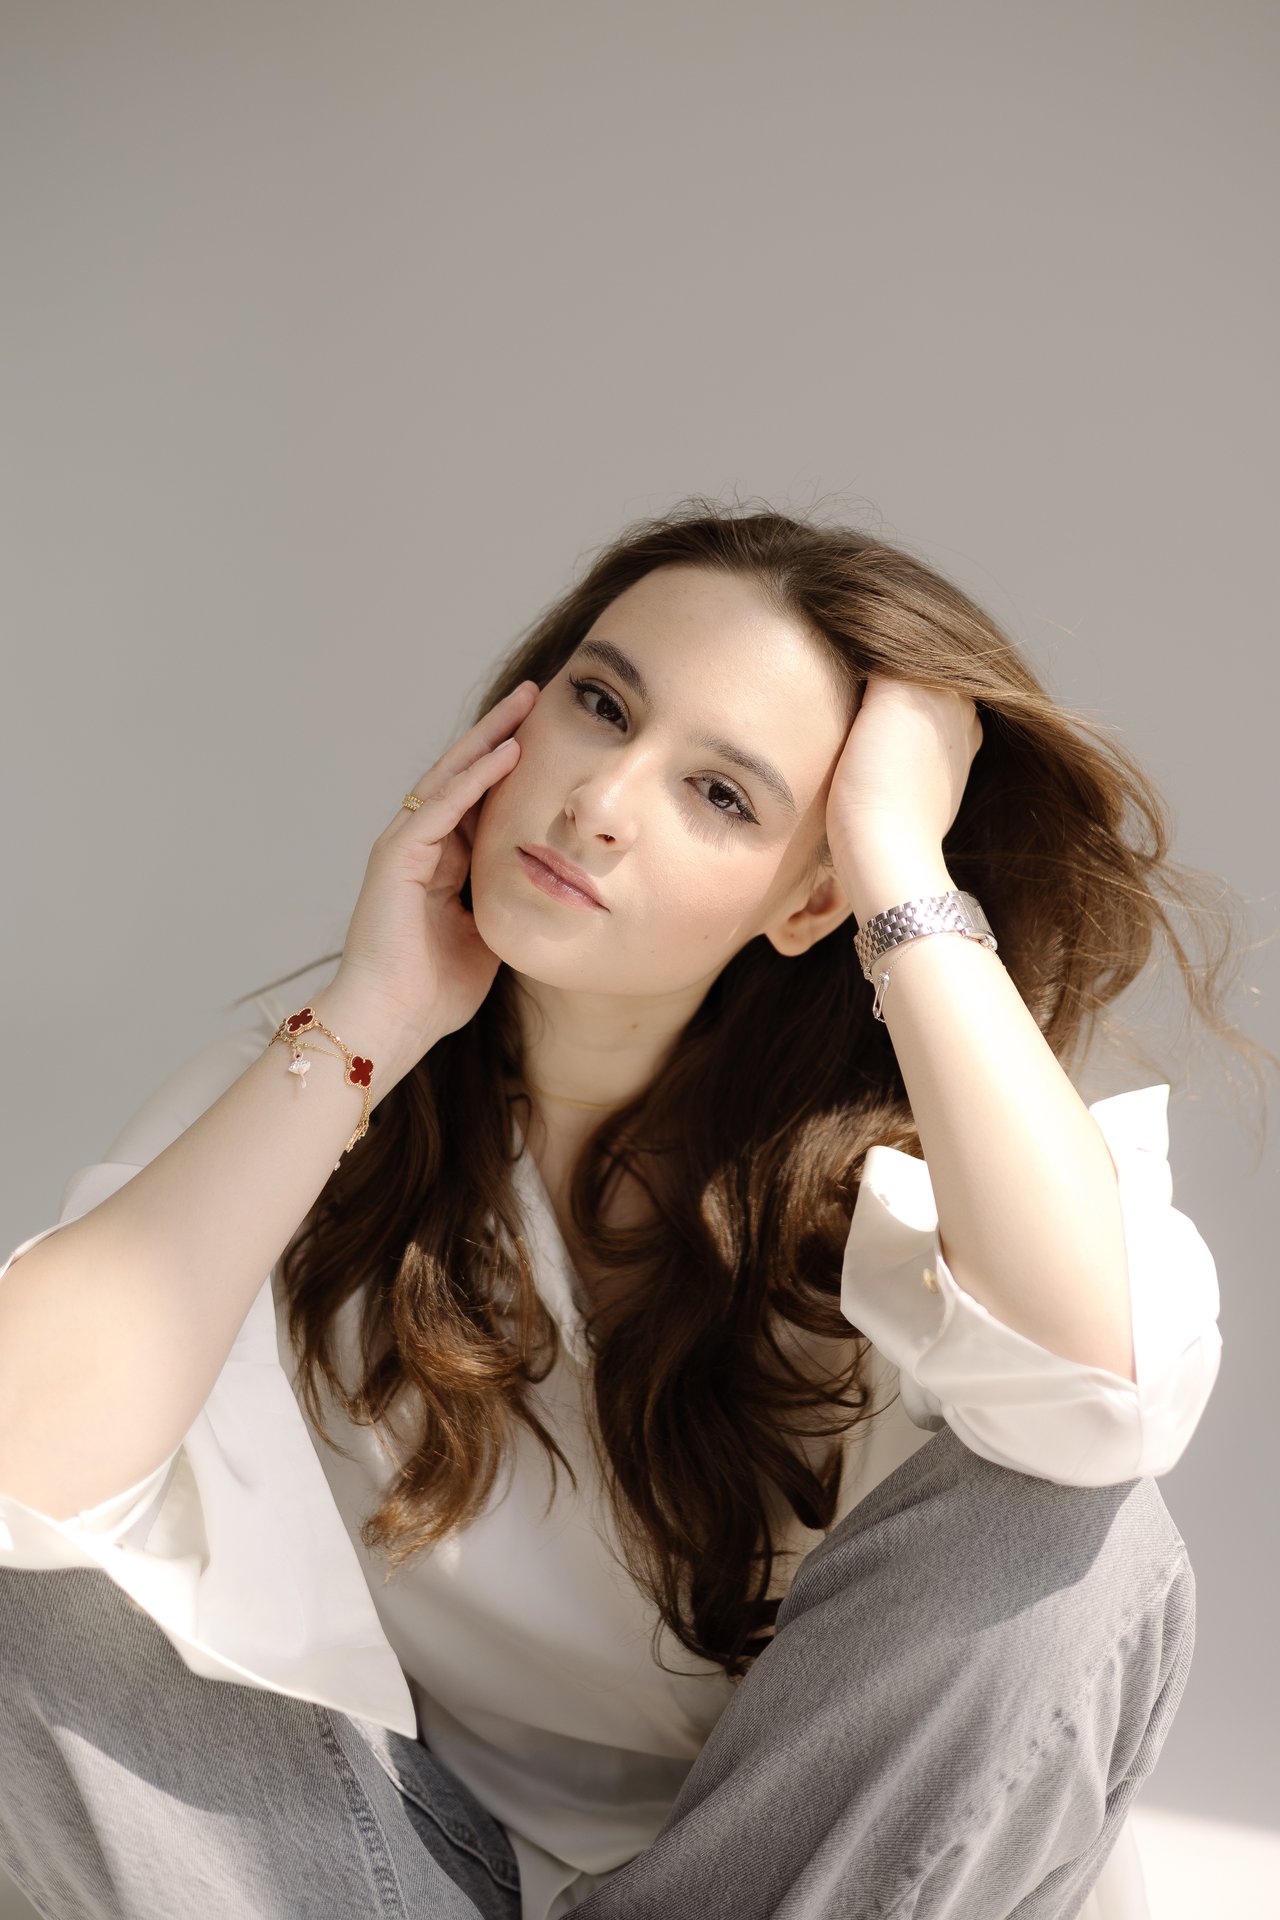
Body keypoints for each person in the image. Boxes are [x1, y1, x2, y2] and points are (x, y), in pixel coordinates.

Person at [0, 502, 1252, 1920]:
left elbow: (1105, 1400)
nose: (601, 801)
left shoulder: (920, 1190)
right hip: (379, 1878)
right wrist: (376, 1011)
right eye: (601, 705)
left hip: (818, 1887)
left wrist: (901, 866)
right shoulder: (324, 1094)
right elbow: (21, 1457)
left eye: (722, 795)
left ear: (811, 902)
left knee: (1082, 1535)